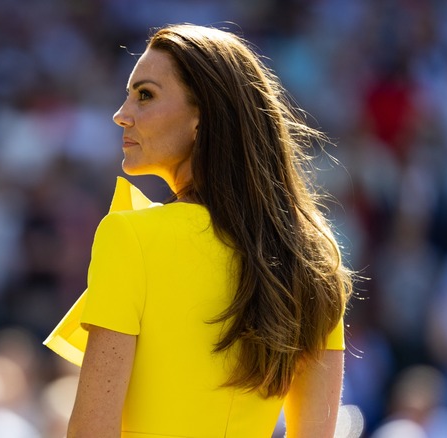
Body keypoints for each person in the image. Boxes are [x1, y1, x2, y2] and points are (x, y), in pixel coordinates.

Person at [44, 23, 353, 437]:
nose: (122, 115)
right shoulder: (313, 255)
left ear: (201, 117)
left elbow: (91, 431)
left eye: (145, 95)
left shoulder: (129, 236)